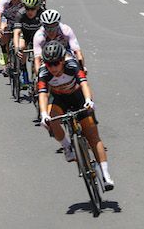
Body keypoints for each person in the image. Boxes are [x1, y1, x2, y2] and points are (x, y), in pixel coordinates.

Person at [37, 40, 114, 190]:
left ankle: (105, 174)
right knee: (51, 120)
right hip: (59, 99)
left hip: (78, 96)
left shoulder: (72, 64)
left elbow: (84, 83)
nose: (53, 67)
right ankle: (67, 147)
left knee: (92, 135)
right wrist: (44, 114)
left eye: (56, 63)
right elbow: (43, 95)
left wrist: (88, 100)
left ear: (62, 60)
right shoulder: (43, 72)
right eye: (49, 64)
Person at [33, 9, 85, 73]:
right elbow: (37, 59)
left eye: (53, 27)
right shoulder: (39, 36)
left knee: (73, 66)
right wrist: (38, 76)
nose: (50, 31)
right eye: (47, 27)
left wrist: (81, 68)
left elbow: (77, 51)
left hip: (65, 53)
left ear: (58, 24)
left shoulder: (66, 30)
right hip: (47, 55)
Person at [13, 0, 43, 86]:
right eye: (27, 8)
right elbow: (16, 32)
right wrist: (17, 48)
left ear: (38, 7)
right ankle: (23, 70)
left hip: (37, 36)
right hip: (24, 34)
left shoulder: (42, 13)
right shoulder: (20, 14)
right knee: (22, 47)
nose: (30, 12)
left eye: (33, 9)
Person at [0, 0, 26, 70]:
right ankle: (5, 53)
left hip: (20, 21)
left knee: (22, 45)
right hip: (8, 18)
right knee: (3, 32)